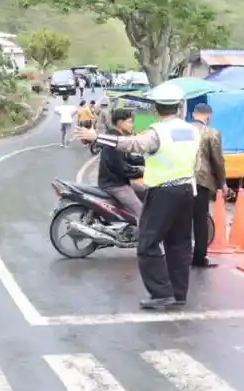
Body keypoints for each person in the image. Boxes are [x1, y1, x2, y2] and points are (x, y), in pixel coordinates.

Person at [77, 83, 199, 310]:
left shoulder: (157, 132)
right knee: (180, 245)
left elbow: (131, 144)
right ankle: (178, 293)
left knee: (147, 243)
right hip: (186, 192)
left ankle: (161, 293)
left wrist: (97, 137)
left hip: (163, 192)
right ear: (180, 108)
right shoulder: (193, 131)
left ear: (155, 109)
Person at [191, 103, 225, 269]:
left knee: (181, 219)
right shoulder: (212, 133)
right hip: (201, 181)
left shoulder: (183, 130)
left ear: (193, 114)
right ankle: (199, 256)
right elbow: (217, 161)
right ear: (208, 115)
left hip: (180, 178)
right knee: (200, 219)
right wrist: (222, 183)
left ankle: (179, 254)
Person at [97, 109, 145, 217]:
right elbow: (121, 168)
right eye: (129, 122)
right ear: (120, 123)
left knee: (146, 191)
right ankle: (141, 233)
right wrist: (141, 172)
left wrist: (147, 161)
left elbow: (128, 158)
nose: (132, 125)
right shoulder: (114, 141)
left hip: (118, 180)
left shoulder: (117, 138)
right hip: (114, 184)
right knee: (141, 212)